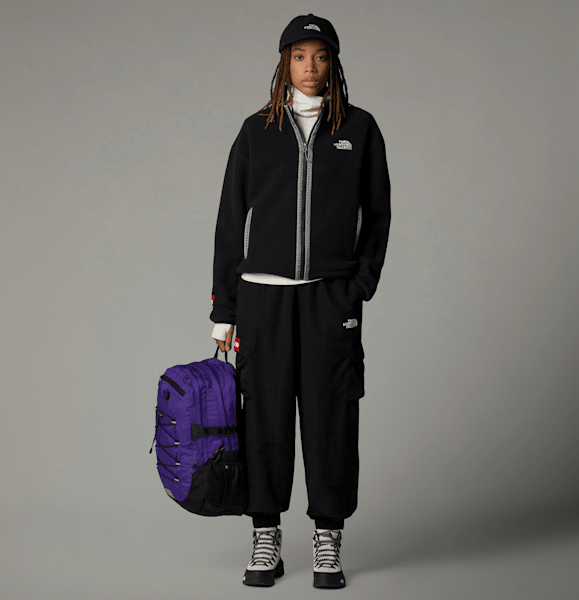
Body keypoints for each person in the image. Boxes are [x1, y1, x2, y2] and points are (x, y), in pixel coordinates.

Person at [209, 13, 391, 589]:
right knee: (262, 418)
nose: (310, 67)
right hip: (261, 301)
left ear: (333, 63)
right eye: (299, 56)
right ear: (283, 63)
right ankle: (265, 536)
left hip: (329, 301)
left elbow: (378, 215)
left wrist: (358, 286)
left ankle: (328, 539)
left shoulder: (359, 129)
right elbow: (229, 222)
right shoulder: (256, 130)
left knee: (331, 417)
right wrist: (224, 311)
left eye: (320, 56)